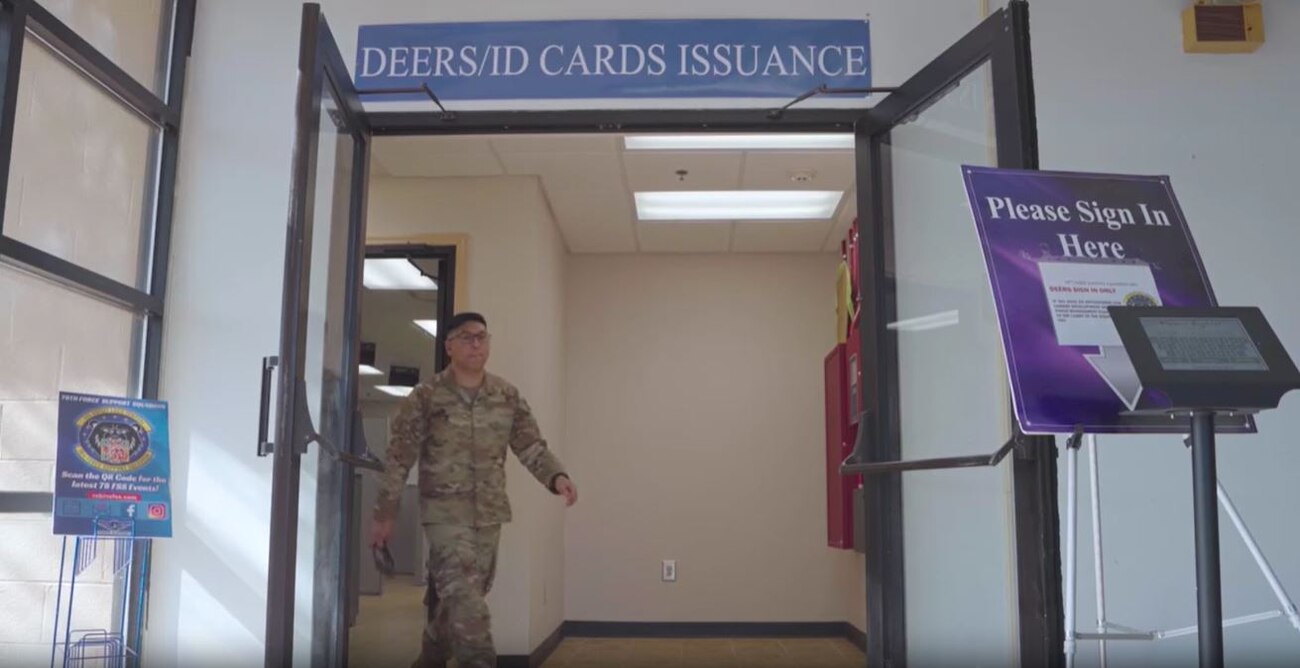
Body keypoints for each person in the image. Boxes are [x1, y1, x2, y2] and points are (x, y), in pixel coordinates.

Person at [370, 312, 578, 668]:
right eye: (466, 337)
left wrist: (556, 477)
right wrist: (385, 512)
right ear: (449, 346)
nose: (476, 343)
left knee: (462, 601)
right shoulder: (426, 396)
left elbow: (531, 447)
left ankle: (431, 656)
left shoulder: (506, 396)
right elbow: (399, 458)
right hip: (444, 517)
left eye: (482, 336)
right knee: (470, 612)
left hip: (490, 515)